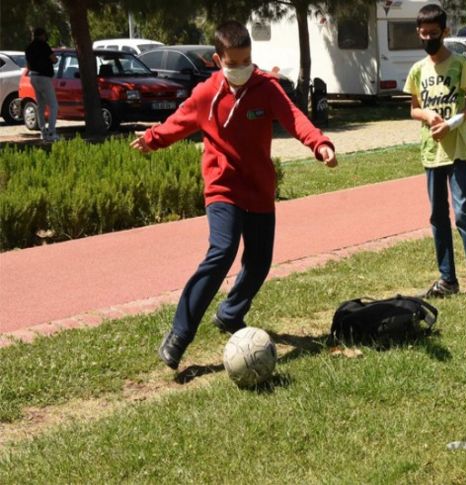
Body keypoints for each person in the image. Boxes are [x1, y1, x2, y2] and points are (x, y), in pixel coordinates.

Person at [130, 20, 338, 369]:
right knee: (222, 250)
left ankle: (229, 314)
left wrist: (320, 144)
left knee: (259, 262)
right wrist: (152, 139)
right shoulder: (205, 93)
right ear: (217, 59)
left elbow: (294, 117)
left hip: (258, 188)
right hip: (222, 186)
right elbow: (179, 122)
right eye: (234, 62)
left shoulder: (266, 88)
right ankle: (180, 334)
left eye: (247, 61)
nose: (242, 68)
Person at [403, 4, 466, 311]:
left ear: (445, 32)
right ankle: (447, 280)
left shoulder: (460, 64)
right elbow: (413, 107)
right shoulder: (417, 70)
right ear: (419, 33)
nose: (429, 38)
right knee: (438, 217)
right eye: (424, 33)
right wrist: (427, 115)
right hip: (431, 153)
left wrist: (453, 122)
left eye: (434, 33)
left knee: (464, 213)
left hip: (457, 152)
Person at [24, 27, 59, 141]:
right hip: (44, 77)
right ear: (42, 35)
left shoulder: (29, 48)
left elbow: (28, 66)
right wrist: (54, 59)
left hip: (33, 77)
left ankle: (43, 132)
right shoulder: (44, 45)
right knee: (53, 105)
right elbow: (54, 59)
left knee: (41, 105)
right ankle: (52, 132)